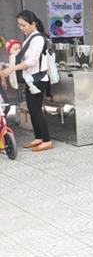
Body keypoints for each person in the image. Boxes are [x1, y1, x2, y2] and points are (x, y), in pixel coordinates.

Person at [0, 10, 54, 152]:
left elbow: (31, 61)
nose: (21, 28)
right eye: (19, 25)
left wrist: (11, 69)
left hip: (38, 79)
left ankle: (47, 140)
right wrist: (7, 66)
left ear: (33, 24)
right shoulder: (30, 38)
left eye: (23, 25)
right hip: (31, 79)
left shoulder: (38, 39)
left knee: (36, 110)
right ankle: (39, 137)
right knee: (32, 109)